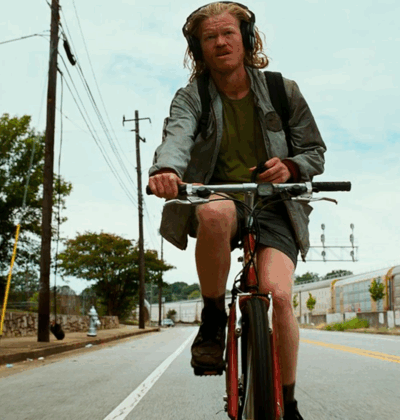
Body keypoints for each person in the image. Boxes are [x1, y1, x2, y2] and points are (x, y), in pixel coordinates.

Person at [148, 2, 325, 419]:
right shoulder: (193, 97)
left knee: (279, 295)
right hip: (221, 197)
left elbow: (314, 151)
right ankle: (212, 319)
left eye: (228, 33)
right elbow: (176, 136)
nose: (220, 42)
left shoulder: (284, 91)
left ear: (246, 40)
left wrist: (293, 166)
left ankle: (289, 400)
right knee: (213, 213)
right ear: (199, 49)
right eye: (210, 37)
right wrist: (168, 169)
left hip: (276, 205)